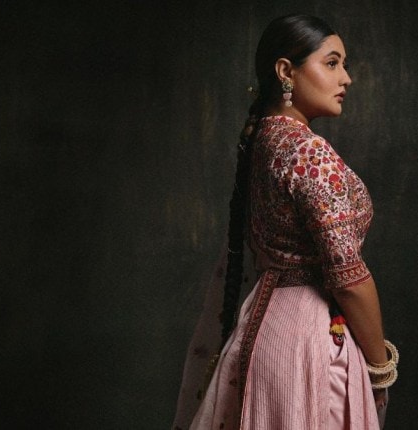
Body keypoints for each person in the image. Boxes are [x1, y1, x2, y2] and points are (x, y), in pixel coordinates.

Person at [172, 14, 398, 430]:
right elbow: (348, 279)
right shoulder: (309, 152)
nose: (346, 78)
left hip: (265, 329)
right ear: (285, 71)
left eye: (344, 65)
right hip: (310, 344)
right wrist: (380, 367)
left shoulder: (262, 139)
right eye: (332, 63)